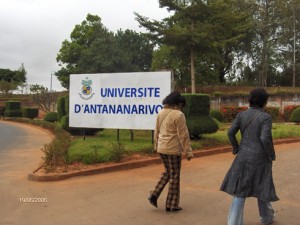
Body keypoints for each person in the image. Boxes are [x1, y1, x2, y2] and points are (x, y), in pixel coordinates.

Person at [220, 88, 279, 225]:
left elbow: (230, 133)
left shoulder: (241, 115)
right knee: (263, 187)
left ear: (251, 100)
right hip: (260, 158)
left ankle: (234, 222)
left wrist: (236, 148)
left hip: (242, 156)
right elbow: (264, 138)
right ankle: (266, 218)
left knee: (240, 190)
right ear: (264, 101)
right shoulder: (265, 117)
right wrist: (271, 154)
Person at [148, 91, 193, 212]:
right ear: (178, 103)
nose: (181, 107)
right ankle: (172, 204)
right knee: (175, 175)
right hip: (173, 149)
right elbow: (183, 135)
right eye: (181, 105)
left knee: (168, 172)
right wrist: (188, 151)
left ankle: (154, 194)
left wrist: (155, 145)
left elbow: (156, 131)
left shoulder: (160, 112)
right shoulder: (178, 115)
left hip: (161, 148)